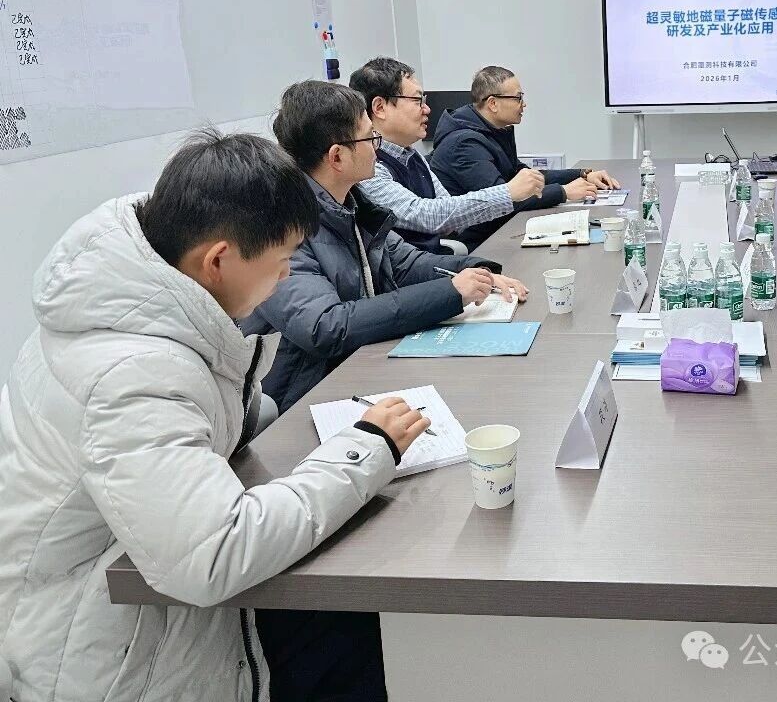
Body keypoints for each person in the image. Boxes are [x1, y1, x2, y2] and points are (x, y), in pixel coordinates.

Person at [0, 129, 427, 702]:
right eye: (282, 261)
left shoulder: (132, 296)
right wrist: (367, 448)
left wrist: (257, 415)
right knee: (352, 639)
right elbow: (213, 554)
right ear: (218, 260)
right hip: (106, 647)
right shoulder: (133, 374)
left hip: (135, 592)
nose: (286, 277)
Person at [241, 80, 527, 415]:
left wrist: (475, 271)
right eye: (369, 138)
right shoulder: (282, 227)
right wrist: (451, 293)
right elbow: (326, 327)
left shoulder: (351, 204)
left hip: (365, 366)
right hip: (307, 397)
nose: (377, 148)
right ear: (337, 156)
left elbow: (406, 263)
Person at [349, 57, 546, 251]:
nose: (427, 109)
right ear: (380, 108)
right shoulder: (368, 169)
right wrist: (507, 193)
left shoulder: (412, 156)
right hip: (410, 269)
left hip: (430, 261)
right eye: (417, 100)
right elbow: (428, 216)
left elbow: (445, 212)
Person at [430, 66, 622, 247]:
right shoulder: (464, 144)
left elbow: (525, 177)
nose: (524, 104)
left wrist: (582, 174)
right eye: (518, 98)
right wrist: (563, 192)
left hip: (502, 230)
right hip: (481, 242)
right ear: (493, 103)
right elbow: (503, 200)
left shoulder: (493, 131)